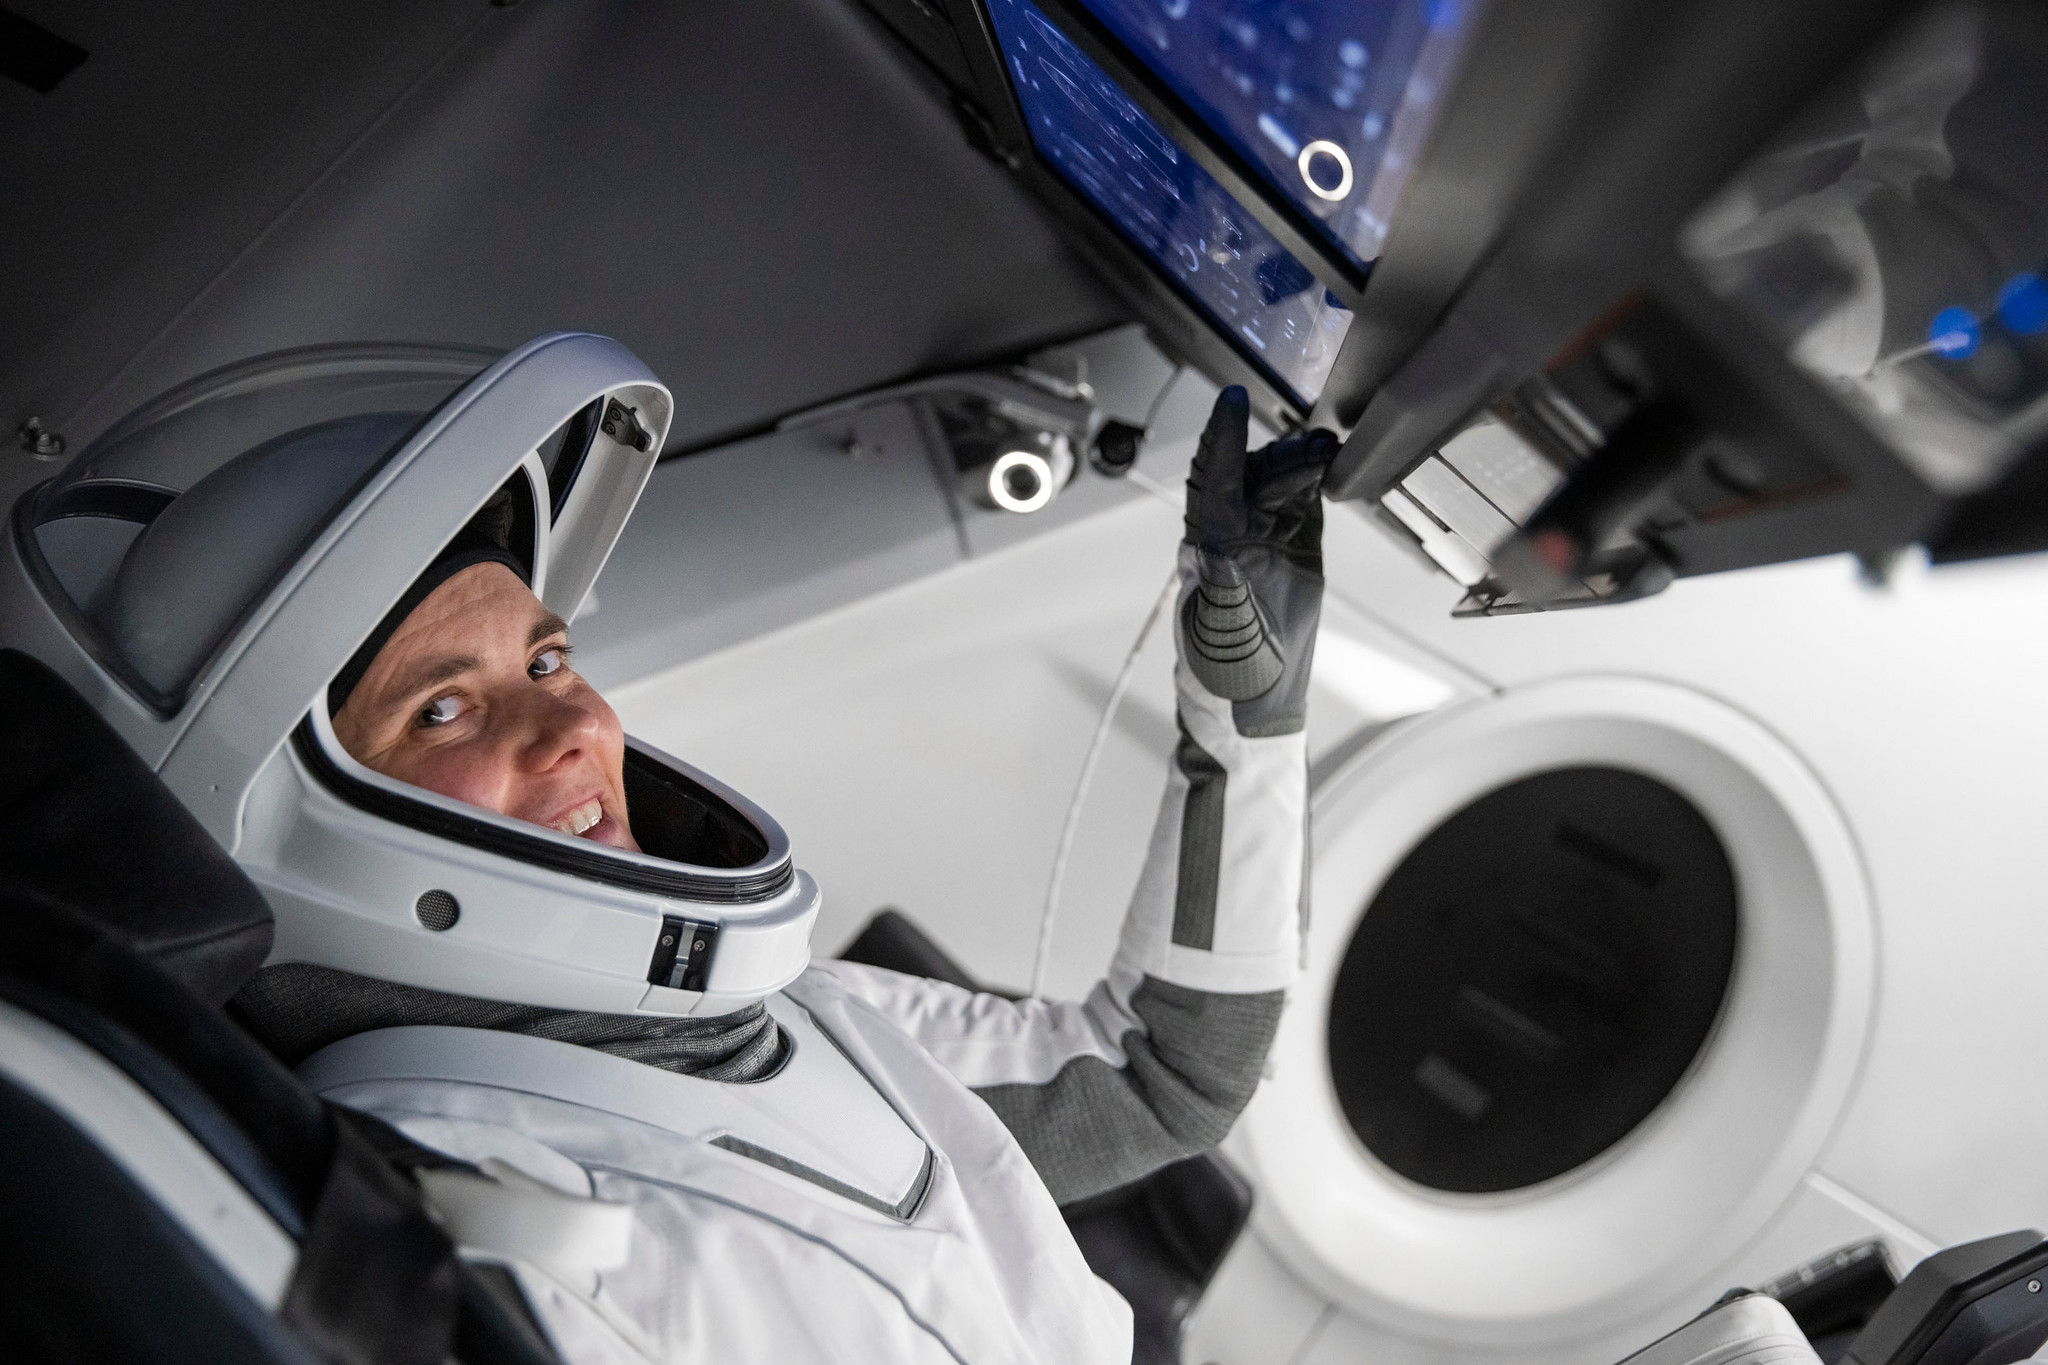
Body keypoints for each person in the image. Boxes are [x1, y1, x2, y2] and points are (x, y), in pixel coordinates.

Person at [1, 332, 1335, 1363]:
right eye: (445, 702)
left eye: (548, 653)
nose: (574, 720)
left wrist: (1246, 723)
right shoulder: (438, 1205)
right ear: (287, 815)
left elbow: (1161, 1075)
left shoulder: (800, 1011)